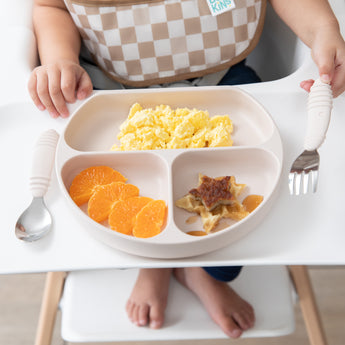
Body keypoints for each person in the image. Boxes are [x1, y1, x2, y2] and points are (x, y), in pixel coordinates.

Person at [28, 0, 345, 339]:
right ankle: (154, 265)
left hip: (220, 77)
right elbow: (52, 6)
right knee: (118, 210)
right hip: (115, 85)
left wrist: (325, 30)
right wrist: (60, 60)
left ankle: (201, 273)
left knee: (239, 221)